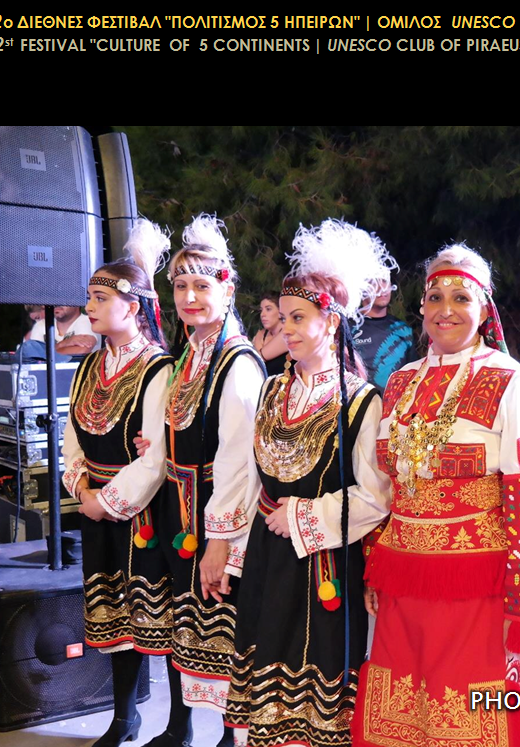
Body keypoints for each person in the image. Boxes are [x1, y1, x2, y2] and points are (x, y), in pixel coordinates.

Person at [354, 243, 520, 747]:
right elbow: (388, 486)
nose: (445, 309)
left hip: (479, 585)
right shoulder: (401, 382)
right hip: (404, 584)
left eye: (461, 297)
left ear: (484, 309)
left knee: (473, 711)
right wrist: (375, 563)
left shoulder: (511, 380)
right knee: (402, 715)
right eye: (435, 297)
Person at [226, 218, 393, 747]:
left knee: (318, 688)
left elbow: (375, 496)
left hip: (324, 561)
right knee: (265, 682)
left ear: (332, 322)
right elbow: (250, 474)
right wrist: (233, 545)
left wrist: (301, 516)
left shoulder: (362, 401)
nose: (287, 330)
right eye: (283, 319)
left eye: (298, 318)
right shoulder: (271, 390)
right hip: (266, 554)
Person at [134, 214, 265, 747]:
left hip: (214, 512)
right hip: (179, 508)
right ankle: (180, 727)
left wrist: (220, 542)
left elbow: (239, 460)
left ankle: (232, 738)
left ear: (227, 290)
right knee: (182, 624)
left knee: (225, 628)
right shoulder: (190, 353)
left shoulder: (238, 364)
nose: (189, 297)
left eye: (202, 286)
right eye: (181, 286)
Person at [60, 219, 174, 746]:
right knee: (114, 618)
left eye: (100, 298)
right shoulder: (88, 367)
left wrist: (106, 501)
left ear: (133, 307)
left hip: (143, 511)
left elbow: (156, 457)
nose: (89, 306)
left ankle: (179, 724)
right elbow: (72, 440)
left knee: (157, 618)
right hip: (96, 508)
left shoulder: (158, 368)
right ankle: (124, 717)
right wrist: (81, 491)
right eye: (89, 297)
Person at [351, 275, 415, 391]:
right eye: (374, 282)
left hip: (396, 401)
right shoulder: (348, 328)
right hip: (358, 401)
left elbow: (414, 375)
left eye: (385, 281)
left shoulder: (403, 330)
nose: (382, 288)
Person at [28, 304, 102, 354]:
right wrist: (64, 343)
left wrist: (45, 352)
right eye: (54, 298)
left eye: (64, 298)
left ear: (77, 302)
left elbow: (82, 350)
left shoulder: (88, 322)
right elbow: (33, 355)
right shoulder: (41, 325)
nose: (57, 303)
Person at [252, 295, 287, 376]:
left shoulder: (287, 334)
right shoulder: (261, 335)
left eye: (268, 309)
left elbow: (258, 359)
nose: (262, 314)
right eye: (261, 310)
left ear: (280, 311)